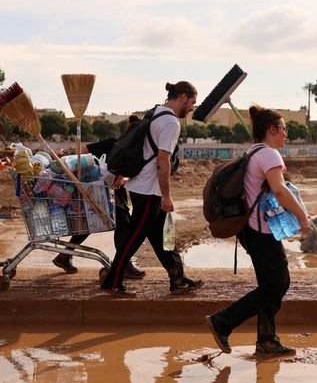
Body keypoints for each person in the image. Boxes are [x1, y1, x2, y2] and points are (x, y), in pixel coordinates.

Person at [206, 106, 310, 356]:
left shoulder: (253, 151)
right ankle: (223, 321)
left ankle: (267, 340)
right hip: (261, 231)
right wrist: (302, 215)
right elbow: (280, 190)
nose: (286, 134)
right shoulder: (270, 155)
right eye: (284, 129)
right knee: (278, 284)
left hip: (250, 229)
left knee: (269, 285)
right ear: (272, 130)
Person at [100, 81, 203, 297]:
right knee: (134, 237)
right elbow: (163, 161)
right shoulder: (171, 123)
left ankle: (178, 278)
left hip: (140, 184)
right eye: (192, 102)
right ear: (183, 97)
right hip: (149, 189)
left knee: (161, 238)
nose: (193, 107)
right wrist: (166, 196)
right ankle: (112, 281)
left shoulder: (155, 111)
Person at [52, 115, 145, 279]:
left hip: (114, 193)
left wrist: (121, 178)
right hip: (99, 191)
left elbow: (132, 175)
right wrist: (98, 174)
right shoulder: (112, 143)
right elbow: (84, 152)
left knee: (90, 224)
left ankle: (64, 255)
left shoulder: (134, 151)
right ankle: (125, 265)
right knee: (123, 224)